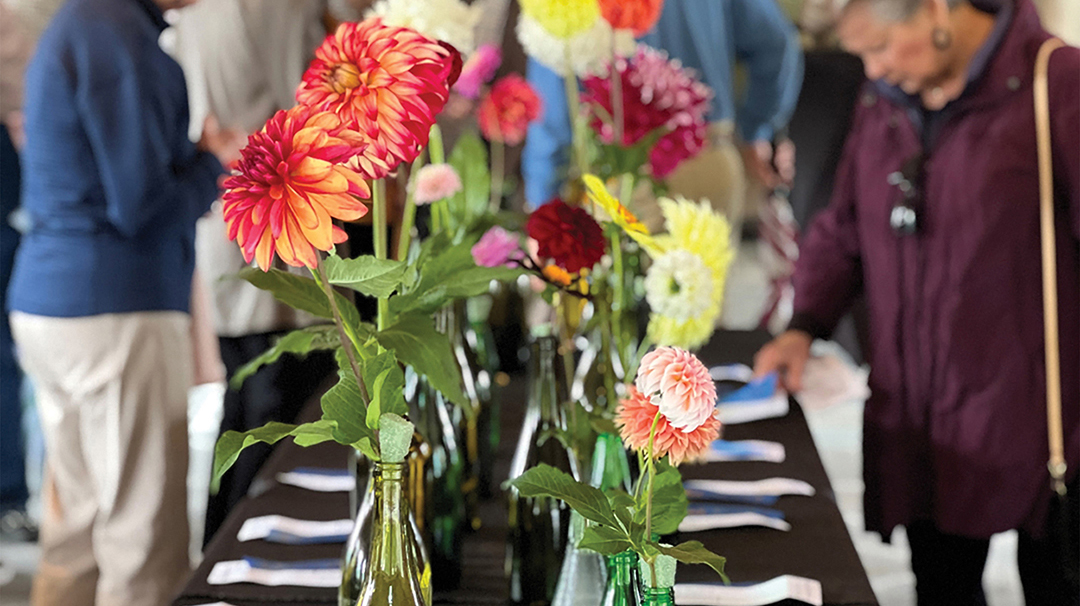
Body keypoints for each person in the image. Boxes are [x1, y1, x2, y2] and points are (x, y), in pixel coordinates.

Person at [753, 0, 1079, 604]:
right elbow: (845, 226)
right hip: (921, 422)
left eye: (880, 47)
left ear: (934, 10)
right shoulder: (885, 100)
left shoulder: (1055, 84)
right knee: (942, 588)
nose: (873, 69)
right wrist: (804, 325)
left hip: (1043, 426)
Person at [6, 0, 245, 603]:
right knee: (143, 536)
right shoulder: (112, 31)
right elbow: (142, 207)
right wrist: (214, 162)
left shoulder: (96, 22)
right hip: (111, 306)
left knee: (76, 527)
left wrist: (197, 159)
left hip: (63, 301)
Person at [170, 0, 338, 547]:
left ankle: (217, 549)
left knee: (243, 401)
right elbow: (309, 106)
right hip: (272, 218)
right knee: (272, 410)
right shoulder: (271, 5)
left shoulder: (201, 9)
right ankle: (238, 551)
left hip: (228, 212)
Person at [521, 0, 803, 226]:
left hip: (623, 175)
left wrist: (543, 201)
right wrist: (756, 130)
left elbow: (552, 106)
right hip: (711, 157)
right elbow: (776, 43)